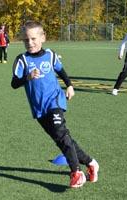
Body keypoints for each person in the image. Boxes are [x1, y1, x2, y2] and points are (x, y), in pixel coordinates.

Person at [11, 21, 99, 188]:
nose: (29, 43)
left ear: (43, 37)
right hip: (39, 108)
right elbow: (14, 83)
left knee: (61, 133)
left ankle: (76, 173)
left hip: (55, 101)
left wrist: (70, 85)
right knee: (62, 140)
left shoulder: (50, 55)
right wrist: (27, 77)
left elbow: (60, 70)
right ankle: (91, 163)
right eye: (26, 40)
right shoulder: (22, 60)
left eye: (33, 38)